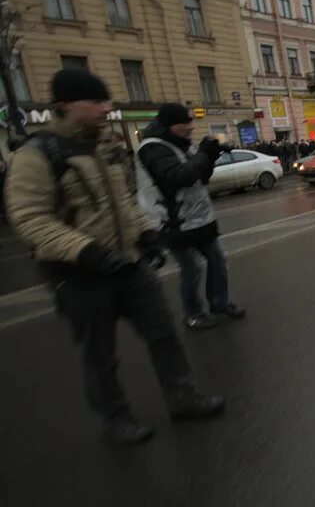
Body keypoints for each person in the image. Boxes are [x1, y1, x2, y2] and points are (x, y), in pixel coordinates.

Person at [4, 70, 223, 445]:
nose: (108, 108)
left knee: (164, 334)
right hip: (78, 273)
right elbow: (29, 218)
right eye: (97, 101)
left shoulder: (105, 147)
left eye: (107, 101)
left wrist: (147, 234)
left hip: (128, 263)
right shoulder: (36, 155)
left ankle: (183, 397)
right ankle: (116, 418)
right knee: (100, 354)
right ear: (65, 106)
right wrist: (85, 251)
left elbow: (123, 202)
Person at [136, 103, 246, 330]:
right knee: (192, 268)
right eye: (185, 122)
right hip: (172, 222)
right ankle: (193, 314)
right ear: (170, 125)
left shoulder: (182, 145)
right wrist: (203, 154)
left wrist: (210, 158)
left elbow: (200, 178)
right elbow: (177, 178)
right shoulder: (152, 148)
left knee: (218, 259)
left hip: (198, 219)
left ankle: (219, 303)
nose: (190, 126)